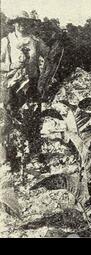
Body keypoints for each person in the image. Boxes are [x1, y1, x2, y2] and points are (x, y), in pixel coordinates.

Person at [0, 10, 49, 165]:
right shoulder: (6, 41)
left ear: (29, 23)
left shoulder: (35, 41)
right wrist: (10, 65)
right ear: (14, 23)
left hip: (32, 84)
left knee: (33, 118)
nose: (22, 24)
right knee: (11, 119)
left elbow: (50, 56)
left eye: (25, 21)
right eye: (18, 21)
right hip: (12, 85)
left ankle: (34, 153)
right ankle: (11, 156)